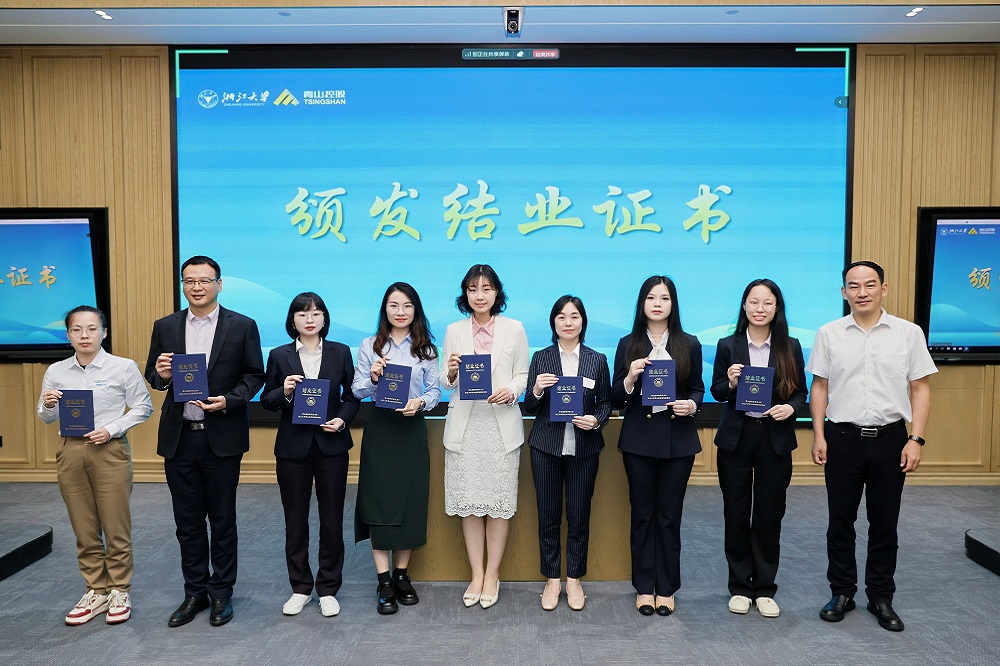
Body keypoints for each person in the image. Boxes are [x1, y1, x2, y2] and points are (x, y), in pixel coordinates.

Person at [807, 260, 935, 632]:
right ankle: (842, 592)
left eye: (869, 284)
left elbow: (920, 388)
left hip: (892, 440)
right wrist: (819, 435)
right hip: (842, 439)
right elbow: (820, 386)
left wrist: (916, 438)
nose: (861, 292)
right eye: (854, 286)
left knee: (884, 523)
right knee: (839, 522)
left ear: (884, 288)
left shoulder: (908, 333)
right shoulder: (829, 333)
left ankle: (881, 596)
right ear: (844, 292)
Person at [144, 255, 265, 628]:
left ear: (219, 284)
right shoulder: (165, 326)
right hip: (180, 438)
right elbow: (154, 375)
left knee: (223, 520)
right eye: (189, 281)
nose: (196, 287)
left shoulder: (242, 325)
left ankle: (221, 593)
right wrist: (162, 375)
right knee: (187, 522)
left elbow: (254, 375)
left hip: (222, 437)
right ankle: (194, 592)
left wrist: (229, 400)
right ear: (183, 285)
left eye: (204, 280)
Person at [37, 305, 153, 626]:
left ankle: (119, 589)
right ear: (68, 335)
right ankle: (95, 590)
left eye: (91, 329)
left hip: (109, 450)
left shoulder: (122, 367)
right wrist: (47, 405)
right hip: (70, 451)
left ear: (104, 333)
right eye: (77, 330)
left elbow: (143, 406)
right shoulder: (56, 370)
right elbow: (46, 417)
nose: (84, 335)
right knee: (83, 526)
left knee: (116, 526)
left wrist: (112, 428)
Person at [710, 279, 807, 619]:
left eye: (767, 303)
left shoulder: (790, 346)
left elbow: (800, 392)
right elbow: (717, 391)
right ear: (744, 306)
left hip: (773, 438)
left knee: (769, 514)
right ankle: (739, 586)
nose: (760, 309)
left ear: (777, 307)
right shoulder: (728, 344)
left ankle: (765, 588)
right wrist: (731, 382)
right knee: (735, 514)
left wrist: (790, 408)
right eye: (754, 302)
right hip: (736, 439)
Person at [260, 292, 360, 618]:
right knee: (295, 521)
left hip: (332, 447)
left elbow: (352, 396)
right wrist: (285, 391)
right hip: (293, 449)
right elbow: (267, 400)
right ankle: (301, 587)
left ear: (324, 318)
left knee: (331, 520)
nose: (310, 319)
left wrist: (342, 419)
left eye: (316, 313)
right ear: (292, 320)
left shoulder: (340, 352)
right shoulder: (279, 355)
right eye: (302, 314)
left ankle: (328, 588)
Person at [611, 275, 703, 617]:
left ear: (673, 304)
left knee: (669, 517)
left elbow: (697, 388)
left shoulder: (689, 343)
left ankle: (666, 588)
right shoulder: (628, 344)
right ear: (642, 303)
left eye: (664, 298)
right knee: (642, 516)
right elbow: (615, 398)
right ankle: (644, 587)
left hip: (678, 442)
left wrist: (691, 405)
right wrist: (630, 377)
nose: (658, 304)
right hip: (639, 442)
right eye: (651, 298)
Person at [441, 264, 529, 609]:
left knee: (498, 506)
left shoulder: (514, 328)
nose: (480, 295)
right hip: (465, 427)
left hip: (500, 427)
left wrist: (512, 390)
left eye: (487, 288)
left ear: (497, 293)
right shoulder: (454, 330)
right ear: (465, 294)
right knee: (470, 505)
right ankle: (476, 574)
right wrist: (450, 372)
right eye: (473, 289)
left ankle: (493, 574)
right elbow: (445, 381)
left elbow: (523, 373)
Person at [351, 282, 440, 615]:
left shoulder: (427, 350)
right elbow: (357, 390)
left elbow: (435, 392)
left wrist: (419, 402)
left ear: (416, 311)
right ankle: (383, 580)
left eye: (407, 306)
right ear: (384, 309)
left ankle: (402, 575)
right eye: (393, 305)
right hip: (381, 429)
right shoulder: (369, 345)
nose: (400, 312)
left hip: (411, 428)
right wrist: (373, 377)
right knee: (379, 502)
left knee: (410, 502)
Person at [524, 295, 611, 611]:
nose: (568, 322)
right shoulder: (541, 358)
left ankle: (573, 578)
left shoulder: (597, 359)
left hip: (584, 448)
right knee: (548, 516)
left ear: (583, 322)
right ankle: (552, 579)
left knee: (578, 516)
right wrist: (536, 389)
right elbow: (529, 406)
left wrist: (596, 420)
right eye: (561, 317)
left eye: (574, 316)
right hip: (546, 447)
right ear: (554, 322)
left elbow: (605, 402)